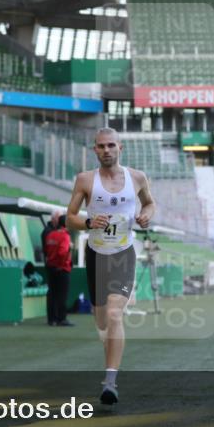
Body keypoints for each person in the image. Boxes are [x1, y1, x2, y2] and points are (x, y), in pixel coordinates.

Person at [66, 127, 156, 405]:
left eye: (111, 146)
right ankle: (110, 362)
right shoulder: (85, 180)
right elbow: (70, 217)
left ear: (121, 148)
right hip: (96, 254)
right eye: (101, 146)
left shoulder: (137, 178)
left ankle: (110, 381)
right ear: (94, 150)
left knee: (115, 315)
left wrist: (145, 216)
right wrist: (89, 222)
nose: (106, 150)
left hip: (123, 254)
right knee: (103, 322)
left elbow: (150, 203)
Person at [43, 212, 73, 327]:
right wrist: (64, 263)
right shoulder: (65, 236)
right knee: (62, 295)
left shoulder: (50, 235)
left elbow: (46, 250)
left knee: (52, 294)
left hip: (51, 267)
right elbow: (62, 252)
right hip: (62, 269)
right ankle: (62, 319)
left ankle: (51, 319)